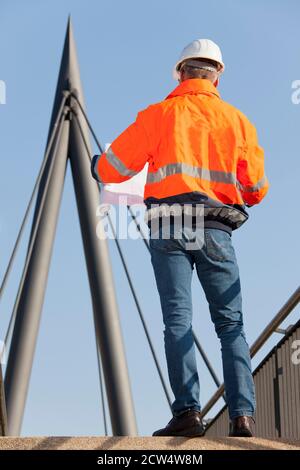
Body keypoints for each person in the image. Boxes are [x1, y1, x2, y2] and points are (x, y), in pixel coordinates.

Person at [91, 38, 269, 437]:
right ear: (217, 76)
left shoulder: (158, 114)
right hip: (215, 229)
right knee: (231, 326)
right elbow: (256, 187)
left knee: (177, 322)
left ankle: (187, 413)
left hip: (169, 226)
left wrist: (96, 165)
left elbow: (114, 168)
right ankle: (242, 416)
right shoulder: (237, 121)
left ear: (181, 73)